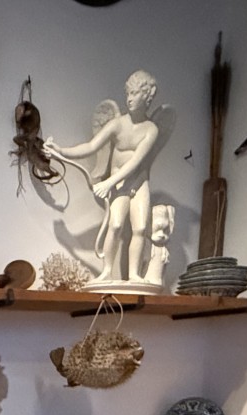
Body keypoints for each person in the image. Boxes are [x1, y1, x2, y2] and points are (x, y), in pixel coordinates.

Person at [45, 71, 164, 284]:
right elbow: (91, 146)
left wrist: (108, 183)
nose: (129, 98)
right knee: (116, 225)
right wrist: (61, 151)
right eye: (128, 93)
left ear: (146, 97)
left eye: (135, 94)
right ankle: (107, 271)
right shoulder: (118, 124)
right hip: (119, 183)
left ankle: (134, 274)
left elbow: (136, 161)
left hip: (138, 182)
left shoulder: (151, 129)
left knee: (139, 229)